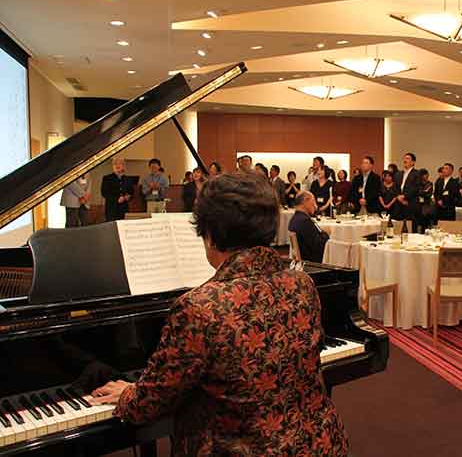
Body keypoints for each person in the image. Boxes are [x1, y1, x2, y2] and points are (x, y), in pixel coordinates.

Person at [90, 173, 348, 456]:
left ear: (210, 235)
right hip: (319, 442)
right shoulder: (302, 284)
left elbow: (151, 402)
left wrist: (129, 393)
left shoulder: (199, 307)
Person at [288, 191, 331, 263]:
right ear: (306, 201)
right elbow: (319, 247)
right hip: (313, 263)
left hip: (305, 260)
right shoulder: (304, 221)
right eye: (313, 202)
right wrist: (326, 234)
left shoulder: (295, 218)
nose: (315, 206)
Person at [101, 157, 133, 221]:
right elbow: (104, 193)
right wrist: (116, 199)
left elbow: (131, 192)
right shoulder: (107, 178)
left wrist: (128, 196)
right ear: (112, 166)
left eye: (119, 163)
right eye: (115, 164)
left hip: (124, 209)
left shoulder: (127, 179)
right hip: (111, 209)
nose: (117, 165)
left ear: (123, 166)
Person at [394, 153, 420, 223]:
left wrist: (404, 196)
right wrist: (398, 197)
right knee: (399, 225)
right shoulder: (398, 174)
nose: (405, 160)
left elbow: (416, 188)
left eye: (408, 158)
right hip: (399, 204)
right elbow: (395, 188)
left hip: (410, 203)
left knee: (410, 225)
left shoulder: (417, 173)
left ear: (413, 162)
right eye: (404, 158)